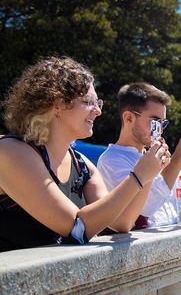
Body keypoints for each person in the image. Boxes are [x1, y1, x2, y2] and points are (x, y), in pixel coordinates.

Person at [0, 57, 168, 252]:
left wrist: (147, 174)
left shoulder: (82, 166)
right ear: (57, 104)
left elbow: (122, 222)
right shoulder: (11, 152)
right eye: (88, 102)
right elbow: (77, 228)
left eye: (98, 103)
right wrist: (138, 176)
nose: (98, 111)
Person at [97, 83, 181, 228]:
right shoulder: (111, 160)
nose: (160, 130)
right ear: (129, 118)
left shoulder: (159, 156)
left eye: (163, 123)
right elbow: (147, 208)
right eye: (155, 122)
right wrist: (179, 157)